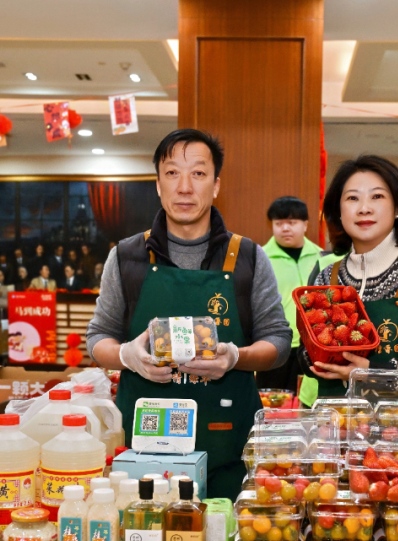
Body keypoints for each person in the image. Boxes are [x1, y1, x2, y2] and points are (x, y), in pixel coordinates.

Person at [86, 128, 291, 500]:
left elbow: (278, 341)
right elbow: (98, 337)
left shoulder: (248, 257)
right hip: (142, 456)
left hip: (228, 449)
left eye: (198, 173)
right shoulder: (126, 257)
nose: (184, 187)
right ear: (158, 184)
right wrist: (127, 356)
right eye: (172, 173)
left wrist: (235, 358)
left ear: (215, 185)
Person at [299, 155, 398, 458]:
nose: (364, 208)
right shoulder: (325, 278)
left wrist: (371, 372)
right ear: (338, 211)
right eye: (352, 198)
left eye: (377, 196)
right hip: (342, 443)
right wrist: (313, 356)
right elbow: (305, 354)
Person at [256, 195, 341, 402]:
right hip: (275, 345)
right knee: (273, 405)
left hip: (313, 346)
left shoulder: (322, 257)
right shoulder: (260, 258)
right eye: (279, 223)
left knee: (307, 404)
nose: (285, 228)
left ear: (305, 225)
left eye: (292, 222)